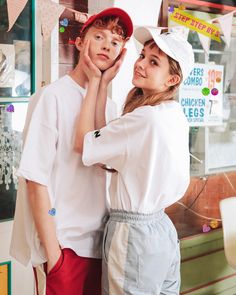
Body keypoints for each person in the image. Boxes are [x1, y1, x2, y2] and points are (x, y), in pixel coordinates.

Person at [10, 7, 133, 295]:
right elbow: (35, 179)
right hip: (64, 247)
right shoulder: (51, 97)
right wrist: (55, 257)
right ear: (79, 42)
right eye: (99, 36)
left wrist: (100, 86)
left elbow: (104, 165)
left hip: (101, 244)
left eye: (115, 41)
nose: (107, 45)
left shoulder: (110, 108)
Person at [74, 26, 195, 295]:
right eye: (142, 55)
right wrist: (104, 86)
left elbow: (84, 144)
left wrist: (95, 81)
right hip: (162, 231)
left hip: (133, 234)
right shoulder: (173, 114)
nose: (140, 64)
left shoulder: (145, 118)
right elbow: (105, 145)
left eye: (154, 62)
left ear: (172, 80)